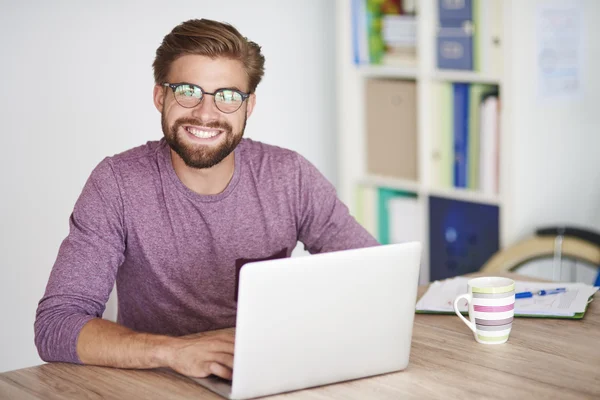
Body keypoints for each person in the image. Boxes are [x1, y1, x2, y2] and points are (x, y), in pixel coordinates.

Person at [34, 18, 378, 381]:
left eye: (228, 96)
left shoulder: (289, 175)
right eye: (187, 91)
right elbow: (56, 325)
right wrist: (175, 351)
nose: (205, 113)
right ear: (160, 96)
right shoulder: (116, 183)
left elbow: (372, 276)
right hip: (160, 380)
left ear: (249, 106)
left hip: (273, 376)